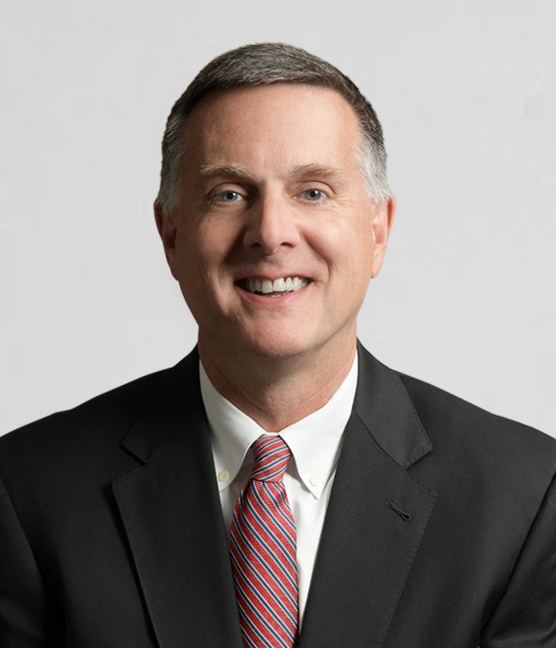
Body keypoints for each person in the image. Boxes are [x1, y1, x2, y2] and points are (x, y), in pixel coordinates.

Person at [1, 43, 555, 648]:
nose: (270, 234)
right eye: (228, 194)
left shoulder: (524, 500)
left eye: (313, 192)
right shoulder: (28, 494)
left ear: (377, 230)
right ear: (171, 234)